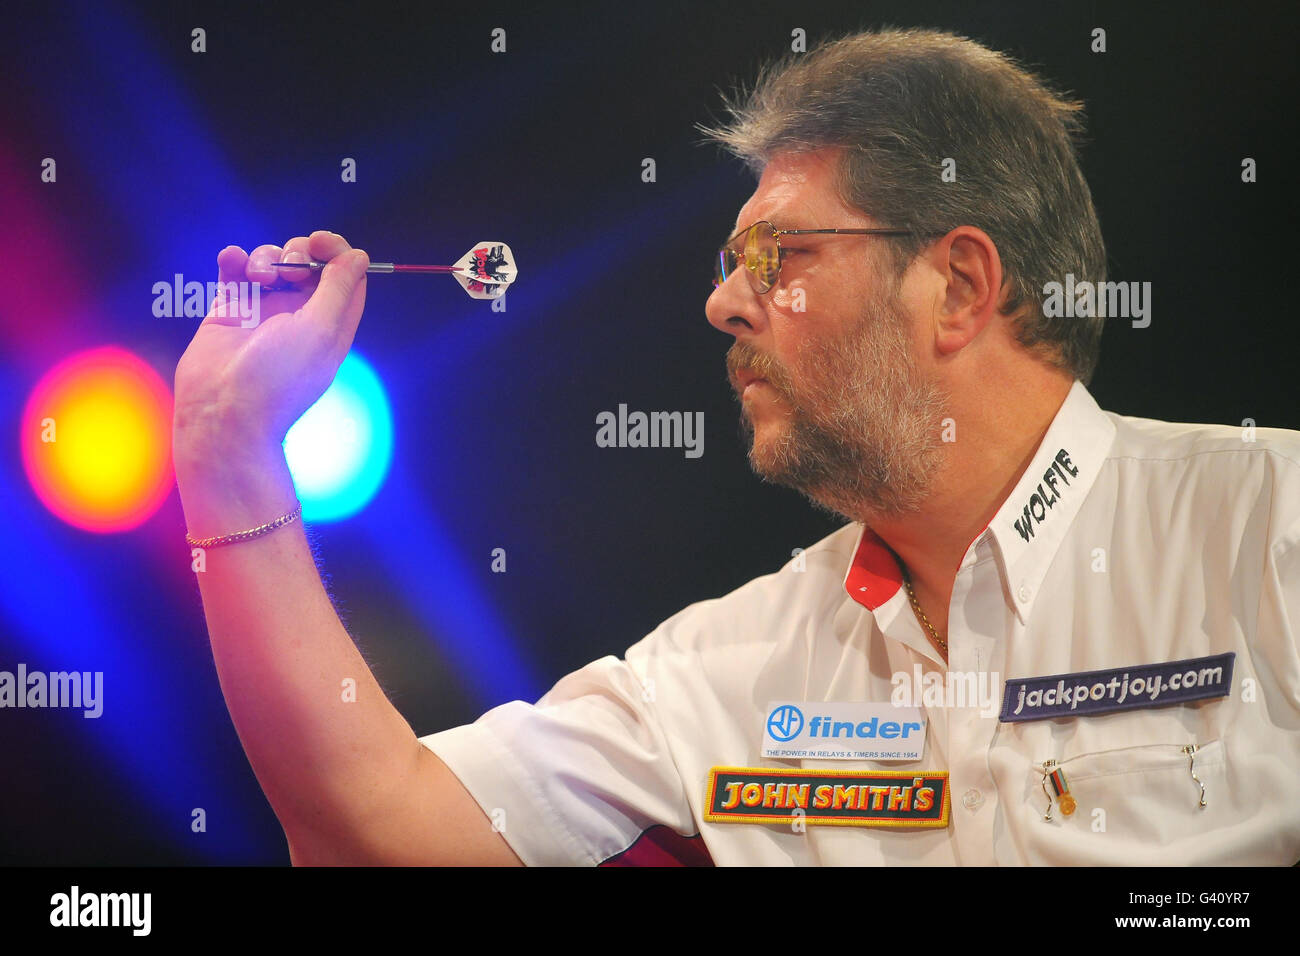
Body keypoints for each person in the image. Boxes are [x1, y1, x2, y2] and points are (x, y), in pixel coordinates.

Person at [173, 28, 1300, 866]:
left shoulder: (1270, 527)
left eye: (782, 257)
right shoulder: (731, 664)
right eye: (728, 265)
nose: (723, 307)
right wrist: (229, 457)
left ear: (957, 286)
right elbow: (372, 826)